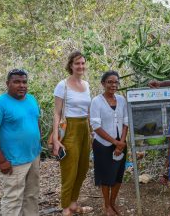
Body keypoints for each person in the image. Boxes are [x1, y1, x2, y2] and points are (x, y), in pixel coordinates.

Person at [0, 69, 41, 215]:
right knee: (13, 200)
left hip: (33, 156)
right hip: (13, 161)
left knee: (32, 195)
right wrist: (1, 160)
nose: (21, 85)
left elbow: (35, 122)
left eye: (24, 82)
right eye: (17, 82)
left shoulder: (31, 99)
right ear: (7, 83)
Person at [52, 51, 92, 215]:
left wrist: (92, 132)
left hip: (85, 128)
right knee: (69, 170)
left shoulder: (87, 85)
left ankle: (74, 203)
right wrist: (55, 138)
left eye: (82, 63)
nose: (80, 66)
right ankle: (66, 208)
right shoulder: (63, 85)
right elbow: (56, 113)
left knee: (83, 169)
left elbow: (88, 111)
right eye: (77, 63)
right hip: (69, 128)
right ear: (71, 65)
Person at [90, 70, 128, 216]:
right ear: (103, 84)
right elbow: (96, 126)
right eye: (110, 82)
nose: (113, 85)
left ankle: (113, 203)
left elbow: (125, 122)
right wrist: (115, 142)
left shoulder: (122, 100)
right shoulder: (96, 101)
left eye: (116, 82)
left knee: (118, 175)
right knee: (105, 175)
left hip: (121, 143)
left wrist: (122, 142)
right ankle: (107, 206)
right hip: (103, 145)